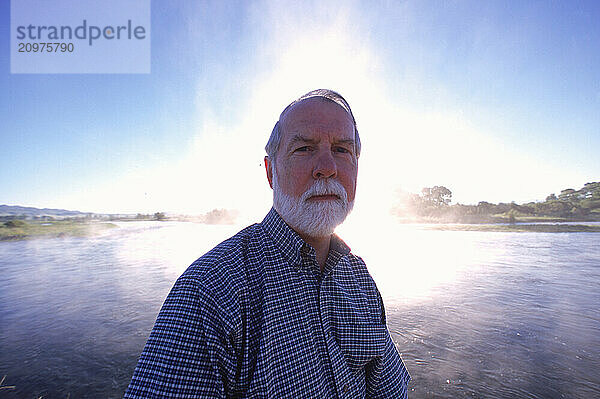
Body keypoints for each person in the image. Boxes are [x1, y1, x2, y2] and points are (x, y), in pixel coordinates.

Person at [124, 89, 410, 398]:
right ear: (271, 171)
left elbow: (389, 390)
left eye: (342, 150)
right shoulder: (209, 291)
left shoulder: (360, 278)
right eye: (304, 149)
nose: (327, 167)